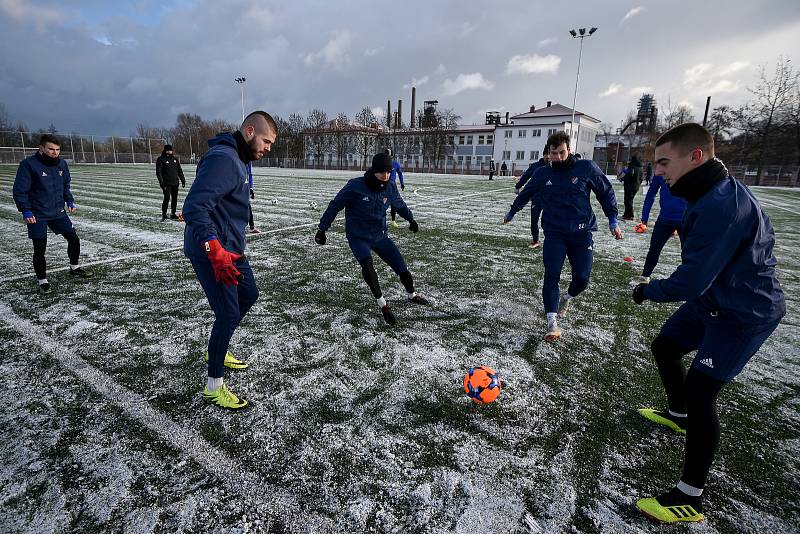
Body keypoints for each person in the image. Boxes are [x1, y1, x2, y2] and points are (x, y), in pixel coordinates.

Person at [631, 123, 785, 523]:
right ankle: (678, 415)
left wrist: (647, 290)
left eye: (664, 162)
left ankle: (689, 497)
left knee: (702, 391)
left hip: (744, 312)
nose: (659, 172)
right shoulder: (707, 192)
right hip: (715, 299)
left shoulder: (721, 205)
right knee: (665, 346)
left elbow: (691, 280)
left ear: (695, 156)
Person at [182, 111, 277, 410]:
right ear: (249, 131)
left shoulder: (239, 159)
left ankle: (219, 348)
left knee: (249, 293)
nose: (268, 148)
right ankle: (214, 386)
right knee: (227, 312)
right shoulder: (225, 158)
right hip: (214, 252)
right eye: (266, 141)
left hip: (231, 248)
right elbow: (195, 207)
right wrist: (214, 249)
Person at [503, 131, 622, 340]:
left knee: (582, 279)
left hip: (581, 233)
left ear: (569, 150)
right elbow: (526, 193)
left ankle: (566, 298)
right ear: (548, 153)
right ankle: (552, 323)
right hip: (554, 233)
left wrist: (613, 219)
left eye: (561, 152)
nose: (557, 157)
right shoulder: (542, 173)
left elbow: (605, 192)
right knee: (551, 275)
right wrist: (512, 212)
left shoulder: (586, 168)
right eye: (553, 153)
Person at [315, 152, 428, 325]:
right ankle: (383, 305)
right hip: (358, 237)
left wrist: (411, 219)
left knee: (402, 268)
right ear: (374, 170)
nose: (386, 176)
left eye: (389, 172)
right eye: (382, 172)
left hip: (379, 236)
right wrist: (322, 229)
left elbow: (400, 204)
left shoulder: (390, 187)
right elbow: (335, 205)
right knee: (368, 268)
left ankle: (411, 295)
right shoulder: (355, 186)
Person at [13, 134, 93, 293]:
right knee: (40, 247)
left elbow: (65, 185)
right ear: (41, 148)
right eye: (50, 149)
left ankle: (74, 267)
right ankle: (42, 281)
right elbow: (20, 191)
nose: (54, 152)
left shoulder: (62, 164)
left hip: (58, 212)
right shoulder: (28, 165)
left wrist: (69, 200)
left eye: (57, 149)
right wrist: (26, 210)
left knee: (73, 238)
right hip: (37, 213)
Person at [634, 173, 687, 284]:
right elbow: (651, 193)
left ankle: (689, 280)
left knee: (688, 252)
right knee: (654, 248)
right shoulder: (661, 172)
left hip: (686, 220)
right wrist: (645, 216)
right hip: (665, 219)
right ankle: (645, 276)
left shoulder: (689, 167)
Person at [514, 143, 550, 248]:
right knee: (534, 220)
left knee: (548, 222)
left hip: (550, 199)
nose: (548, 157)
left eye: (549, 154)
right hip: (536, 198)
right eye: (546, 154)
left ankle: (551, 241)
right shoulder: (535, 166)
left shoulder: (555, 167)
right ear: (543, 155)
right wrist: (518, 186)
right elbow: (525, 176)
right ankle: (536, 241)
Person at [156, 144, 186, 220]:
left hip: (175, 183)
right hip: (166, 183)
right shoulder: (161, 159)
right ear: (165, 150)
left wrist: (183, 180)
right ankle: (164, 214)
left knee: (174, 199)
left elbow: (179, 171)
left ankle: (173, 213)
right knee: (166, 198)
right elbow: (158, 172)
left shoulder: (175, 159)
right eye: (168, 150)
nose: (170, 151)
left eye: (170, 150)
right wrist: (161, 182)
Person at [385, 149, 405, 228]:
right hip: (382, 185)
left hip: (392, 186)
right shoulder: (382, 163)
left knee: (393, 203)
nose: (387, 157)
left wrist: (402, 183)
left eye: (388, 155)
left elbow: (400, 173)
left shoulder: (395, 163)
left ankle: (393, 221)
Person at [622, 154, 643, 220]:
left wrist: (623, 178)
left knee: (628, 201)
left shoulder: (632, 166)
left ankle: (630, 215)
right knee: (630, 200)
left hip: (629, 186)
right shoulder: (640, 167)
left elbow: (629, 175)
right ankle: (626, 214)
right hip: (636, 186)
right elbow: (641, 178)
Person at [246, 164, 261, 234]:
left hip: (245, 187)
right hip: (237, 186)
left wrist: (251, 188)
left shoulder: (248, 161)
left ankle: (252, 227)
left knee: (248, 207)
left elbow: (250, 175)